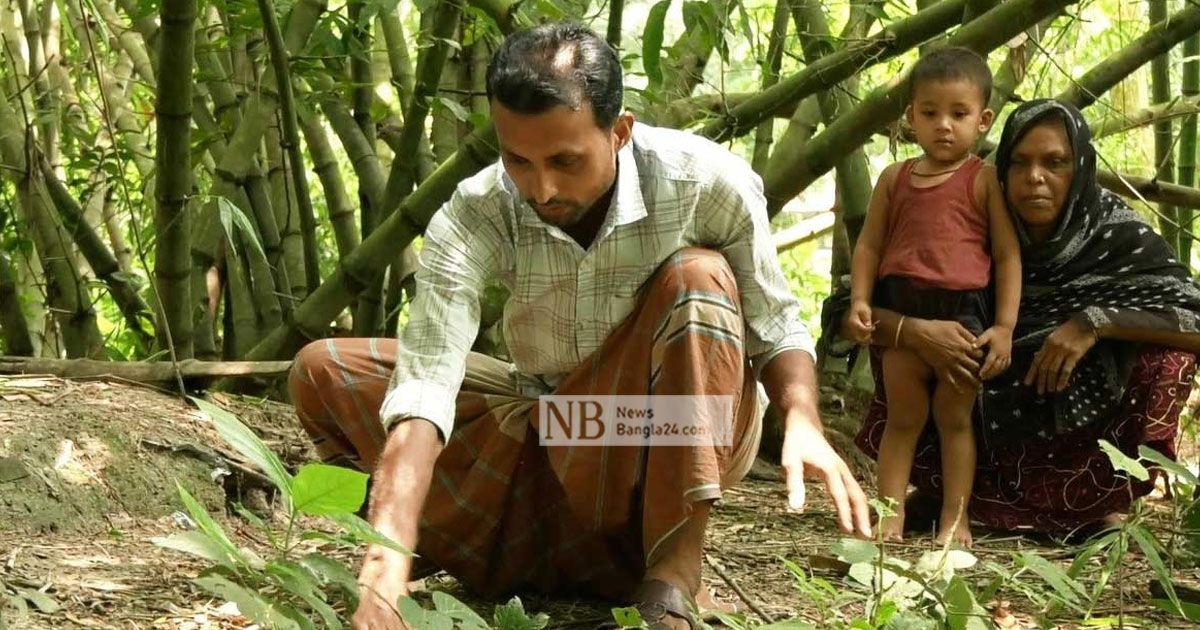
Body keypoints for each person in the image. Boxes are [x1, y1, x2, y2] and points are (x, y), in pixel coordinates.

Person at [289, 22, 871, 630]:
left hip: (665, 426)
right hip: (552, 422)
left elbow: (774, 319)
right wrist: (383, 567)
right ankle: (499, 546)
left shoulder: (703, 180)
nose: (542, 187)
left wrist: (801, 417)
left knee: (697, 277)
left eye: (566, 161)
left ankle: (672, 572)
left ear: (619, 132)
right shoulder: (477, 211)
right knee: (323, 370)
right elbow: (426, 386)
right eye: (518, 159)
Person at [842, 98, 1200, 536]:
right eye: (1020, 163)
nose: (1035, 178)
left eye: (1055, 163)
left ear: (1081, 166)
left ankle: (1090, 508)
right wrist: (916, 332)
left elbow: (1192, 320)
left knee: (1167, 362)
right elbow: (854, 307)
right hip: (972, 376)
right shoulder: (964, 216)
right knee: (904, 352)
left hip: (1076, 403)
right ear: (1002, 168)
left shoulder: (1115, 233)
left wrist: (1096, 321)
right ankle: (951, 498)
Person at [844, 47, 1022, 546]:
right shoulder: (894, 179)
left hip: (963, 314)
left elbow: (1007, 256)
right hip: (901, 307)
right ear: (910, 118)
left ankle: (955, 519)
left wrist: (1005, 327)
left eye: (959, 114)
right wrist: (861, 300)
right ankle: (889, 516)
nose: (944, 125)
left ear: (983, 120)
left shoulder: (984, 179)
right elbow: (870, 245)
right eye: (930, 113)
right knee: (902, 420)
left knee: (954, 420)